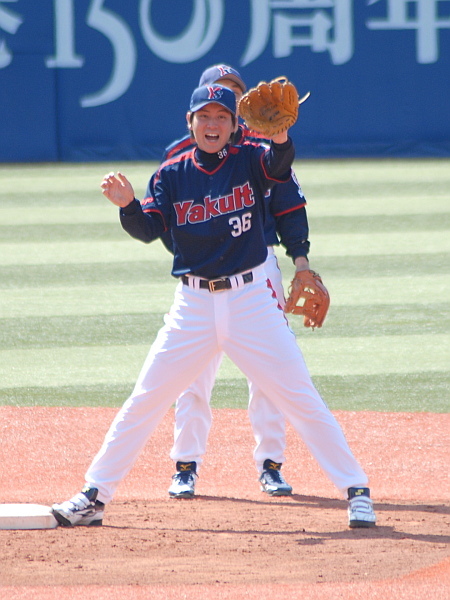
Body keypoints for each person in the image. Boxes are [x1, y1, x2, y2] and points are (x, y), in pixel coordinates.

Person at [51, 83, 376, 529]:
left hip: (250, 302)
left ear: (234, 125)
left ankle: (356, 490)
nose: (212, 124)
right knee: (145, 400)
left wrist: (281, 138)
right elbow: (149, 230)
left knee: (300, 397)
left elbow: (279, 167)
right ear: (190, 123)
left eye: (221, 117)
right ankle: (94, 495)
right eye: (204, 117)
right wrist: (128, 206)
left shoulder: (250, 160)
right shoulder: (170, 174)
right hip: (193, 307)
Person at [162, 65, 310, 499]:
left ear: (243, 106)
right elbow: (163, 213)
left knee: (268, 372)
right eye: (212, 100)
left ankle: (271, 464)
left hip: (257, 268)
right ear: (195, 112)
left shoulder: (264, 150)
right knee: (192, 374)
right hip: (199, 275)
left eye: (232, 96)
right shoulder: (178, 155)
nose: (221, 106)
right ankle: (185, 466)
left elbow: (289, 206)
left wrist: (300, 261)